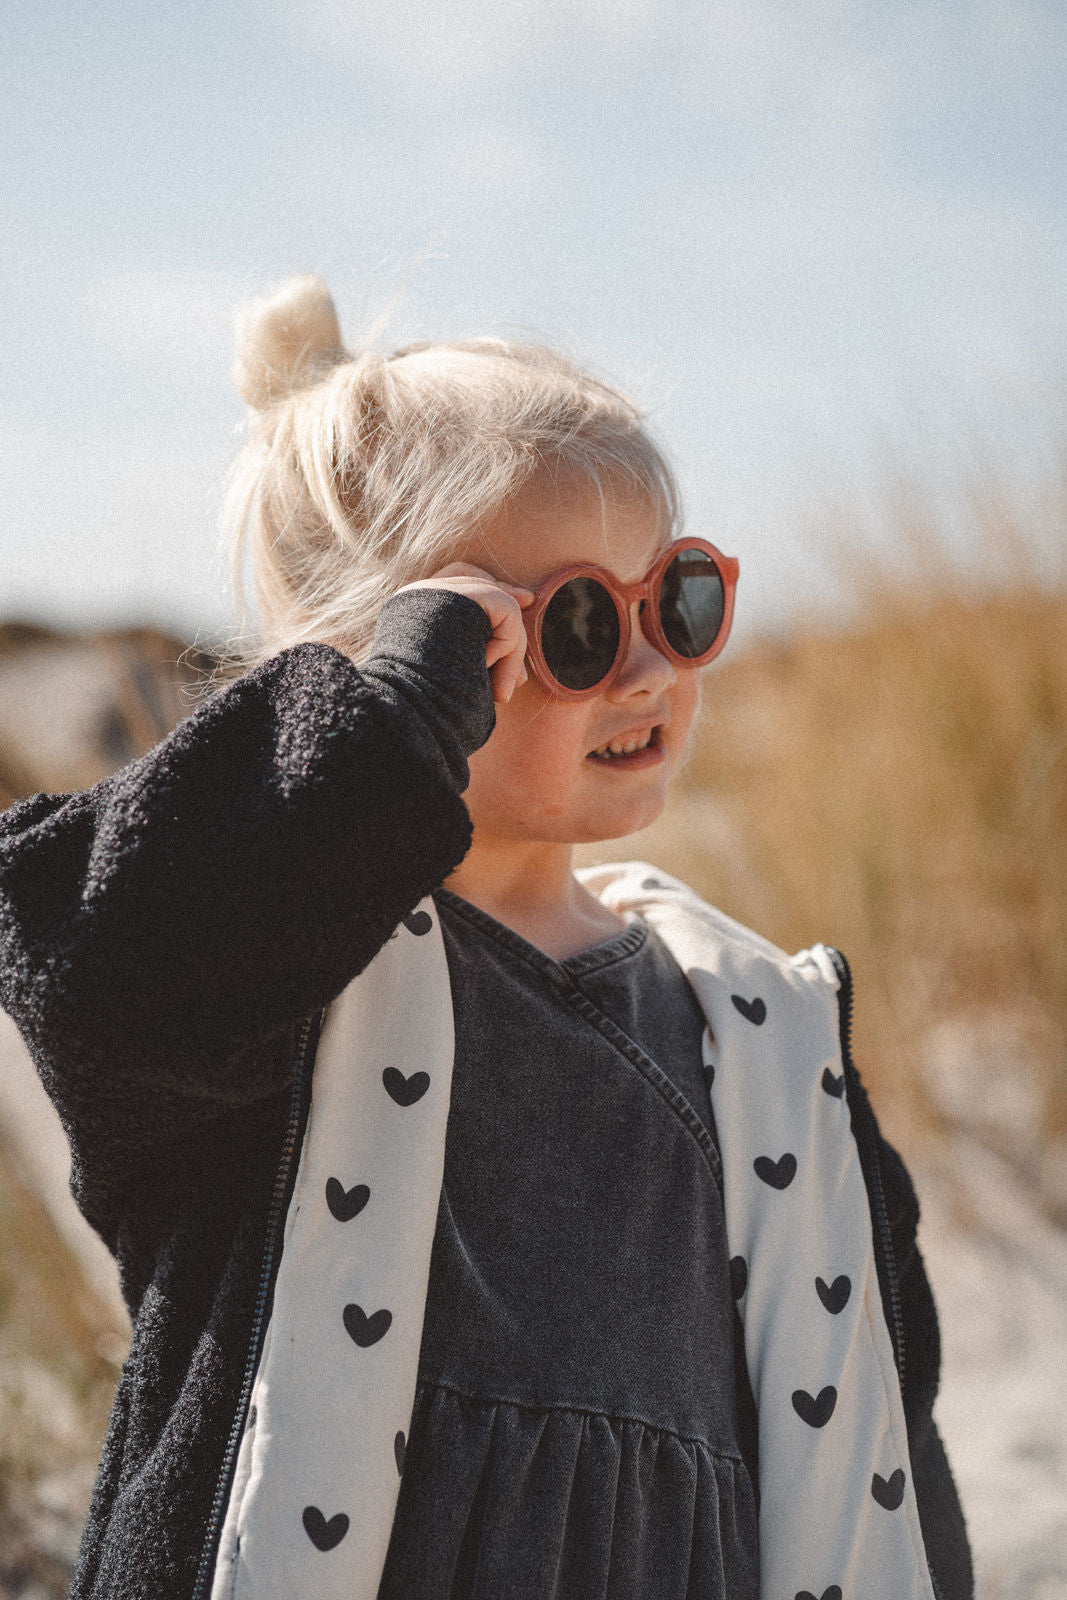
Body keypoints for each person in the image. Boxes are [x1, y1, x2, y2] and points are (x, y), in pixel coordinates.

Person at [0, 276, 972, 1600]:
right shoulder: (286, 996)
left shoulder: (764, 1028)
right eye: (574, 624)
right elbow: (89, 963)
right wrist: (385, 718)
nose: (647, 671)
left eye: (674, 599)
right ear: (387, 659)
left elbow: (884, 1430)